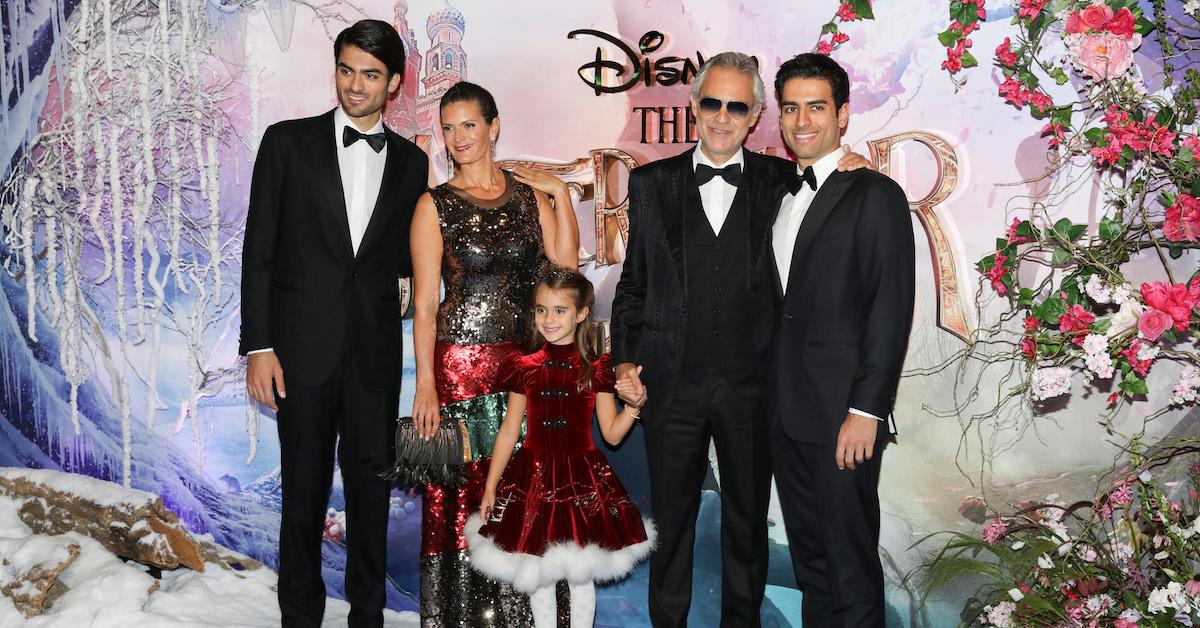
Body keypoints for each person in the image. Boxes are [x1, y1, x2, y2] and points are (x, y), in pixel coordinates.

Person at [610, 51, 870, 627]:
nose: (722, 117)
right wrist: (623, 363)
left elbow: (832, 190)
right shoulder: (651, 183)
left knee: (748, 526)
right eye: (711, 103)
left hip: (755, 388)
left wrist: (850, 168)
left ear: (756, 116)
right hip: (670, 387)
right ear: (694, 108)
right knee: (672, 526)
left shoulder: (783, 181)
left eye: (737, 106)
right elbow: (632, 288)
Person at [239, 19, 429, 628]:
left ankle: (367, 617)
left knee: (372, 496)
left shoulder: (412, 163)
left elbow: (403, 260)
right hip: (300, 352)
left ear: (394, 83)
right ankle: (300, 616)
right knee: (303, 493)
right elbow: (259, 250)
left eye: (370, 75)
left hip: (373, 359)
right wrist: (259, 346)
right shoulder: (287, 143)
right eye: (346, 70)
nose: (354, 85)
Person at [408, 81, 580, 627]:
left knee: (525, 492)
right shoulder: (433, 205)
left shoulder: (530, 195)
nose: (458, 138)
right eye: (449, 127)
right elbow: (428, 306)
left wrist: (561, 194)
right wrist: (425, 384)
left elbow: (565, 271)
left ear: (494, 127)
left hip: (524, 371)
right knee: (463, 501)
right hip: (458, 373)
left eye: (470, 125)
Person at [768, 52, 915, 627]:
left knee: (850, 569)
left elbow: (890, 308)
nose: (803, 121)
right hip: (784, 414)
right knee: (812, 569)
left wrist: (866, 410)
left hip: (842, 418)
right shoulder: (779, 192)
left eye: (817, 107)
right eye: (790, 108)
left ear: (843, 114)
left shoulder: (874, 194)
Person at [463, 268, 655, 628]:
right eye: (541, 310)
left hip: (582, 484)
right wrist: (490, 486)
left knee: (581, 575)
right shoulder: (524, 367)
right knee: (538, 573)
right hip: (531, 481)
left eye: (559, 310)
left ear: (581, 313)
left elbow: (612, 435)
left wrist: (633, 407)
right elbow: (508, 430)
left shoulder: (596, 369)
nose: (548, 320)